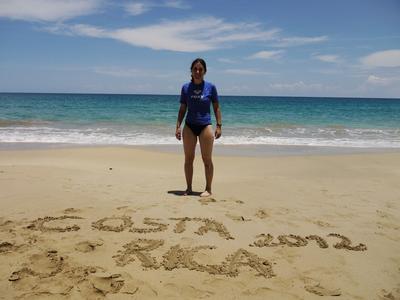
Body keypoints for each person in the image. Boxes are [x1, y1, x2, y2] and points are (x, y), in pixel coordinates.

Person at [175, 58, 222, 197]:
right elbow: (182, 108)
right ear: (191, 71)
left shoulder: (211, 87)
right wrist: (177, 126)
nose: (197, 71)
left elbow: (216, 107)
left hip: (205, 126)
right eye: (195, 69)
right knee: (188, 159)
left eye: (200, 69)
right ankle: (189, 188)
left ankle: (208, 189)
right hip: (189, 126)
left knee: (207, 159)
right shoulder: (185, 88)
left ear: (205, 71)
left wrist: (219, 125)